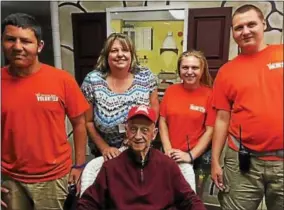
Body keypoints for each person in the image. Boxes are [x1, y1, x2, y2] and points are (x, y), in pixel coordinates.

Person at [1, 13, 89, 210]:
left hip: (53, 178)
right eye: (10, 39)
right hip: (11, 178)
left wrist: (79, 165)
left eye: (25, 41)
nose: (17, 47)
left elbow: (80, 123)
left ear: (39, 46)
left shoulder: (62, 80)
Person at [211, 4, 283, 210]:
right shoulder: (226, 72)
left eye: (251, 24)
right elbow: (222, 118)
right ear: (233, 32)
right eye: (239, 27)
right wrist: (216, 161)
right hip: (242, 161)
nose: (245, 31)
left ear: (264, 24)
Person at [77, 105, 206, 210]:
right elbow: (88, 203)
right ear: (126, 132)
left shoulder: (167, 165)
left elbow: (189, 200)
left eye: (144, 130)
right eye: (133, 129)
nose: (138, 136)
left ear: (154, 134)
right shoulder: (111, 167)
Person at [81, 33, 159, 161]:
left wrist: (136, 139)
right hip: (104, 154)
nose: (120, 54)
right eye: (114, 50)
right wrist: (105, 148)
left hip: (139, 149)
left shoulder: (146, 77)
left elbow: (154, 113)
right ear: (106, 55)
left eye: (125, 50)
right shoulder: (93, 80)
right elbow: (87, 121)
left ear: (131, 55)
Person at [159, 50, 216, 190]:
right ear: (179, 69)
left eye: (195, 68)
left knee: (192, 198)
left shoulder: (210, 94)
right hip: (170, 155)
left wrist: (190, 155)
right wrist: (168, 149)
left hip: (197, 159)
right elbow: (162, 121)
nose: (189, 71)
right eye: (185, 67)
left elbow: (210, 130)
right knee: (166, 194)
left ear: (202, 70)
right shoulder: (171, 91)